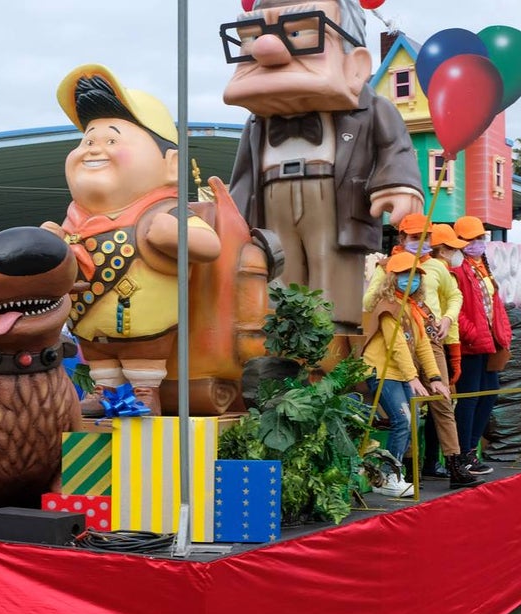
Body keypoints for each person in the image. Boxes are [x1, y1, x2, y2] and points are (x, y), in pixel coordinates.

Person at [223, 0, 423, 333]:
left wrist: (397, 184)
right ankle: (282, 344)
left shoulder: (370, 108)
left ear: (355, 64)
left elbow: (394, 146)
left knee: (330, 273)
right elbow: (243, 178)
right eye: (252, 37)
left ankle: (333, 344)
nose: (267, 49)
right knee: (278, 273)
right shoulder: (257, 122)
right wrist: (230, 222)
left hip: (335, 203)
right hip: (272, 205)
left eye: (299, 33)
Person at [44, 65, 221, 417]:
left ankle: (145, 390)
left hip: (147, 327)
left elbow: (210, 246)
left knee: (145, 352)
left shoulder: (166, 211)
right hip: (92, 327)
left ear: (171, 165)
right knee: (100, 356)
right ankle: (103, 389)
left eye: (111, 140)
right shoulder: (75, 219)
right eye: (88, 141)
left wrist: (175, 235)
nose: (94, 150)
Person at [362, 216, 480, 489]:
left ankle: (454, 463)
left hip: (427, 338)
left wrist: (448, 322)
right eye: (415, 237)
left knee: (442, 401)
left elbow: (455, 297)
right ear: (402, 238)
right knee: (408, 414)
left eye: (426, 237)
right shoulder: (387, 267)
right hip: (396, 347)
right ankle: (403, 470)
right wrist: (389, 288)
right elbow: (370, 304)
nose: (422, 243)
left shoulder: (436, 267)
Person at [361, 250, 450, 498]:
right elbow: (396, 344)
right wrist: (412, 377)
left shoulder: (413, 308)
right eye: (404, 275)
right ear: (392, 278)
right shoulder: (388, 306)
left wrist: (435, 379)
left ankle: (393, 474)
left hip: (400, 372)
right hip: (382, 370)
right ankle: (388, 477)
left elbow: (422, 345)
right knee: (404, 420)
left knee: (412, 420)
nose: (411, 281)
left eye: (415, 276)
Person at [450, 215, 512, 475]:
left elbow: (494, 305)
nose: (479, 242)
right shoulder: (456, 269)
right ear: (461, 242)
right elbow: (454, 308)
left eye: (481, 237)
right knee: (469, 399)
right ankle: (463, 454)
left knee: (488, 396)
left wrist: (504, 332)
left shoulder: (481, 267)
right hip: (470, 345)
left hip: (490, 343)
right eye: (473, 238)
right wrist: (472, 333)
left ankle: (470, 451)